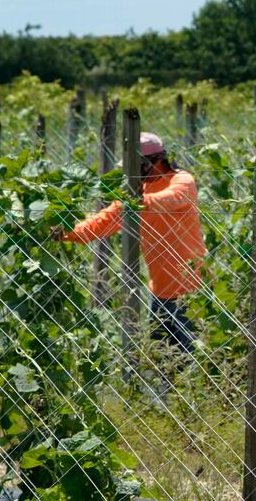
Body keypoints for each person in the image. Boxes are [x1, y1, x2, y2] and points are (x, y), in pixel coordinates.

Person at [62, 132, 205, 354]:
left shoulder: (182, 181)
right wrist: (65, 233)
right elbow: (102, 222)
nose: (129, 173)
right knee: (164, 358)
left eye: (134, 166)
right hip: (160, 290)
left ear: (153, 162)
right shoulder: (136, 195)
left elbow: (171, 198)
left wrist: (136, 203)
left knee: (192, 357)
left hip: (191, 290)